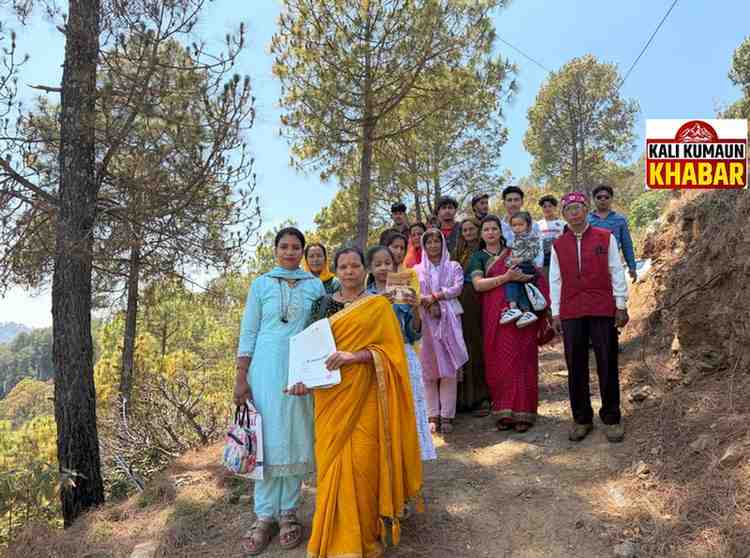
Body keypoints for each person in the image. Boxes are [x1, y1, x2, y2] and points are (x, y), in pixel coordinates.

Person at [290, 247, 423, 558]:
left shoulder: (378, 306)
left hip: (367, 395)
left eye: (355, 266)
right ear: (336, 271)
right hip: (330, 396)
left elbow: (391, 354)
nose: (349, 271)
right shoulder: (322, 305)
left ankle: (363, 536)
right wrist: (301, 380)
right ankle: (333, 537)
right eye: (343, 266)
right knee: (331, 465)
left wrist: (355, 356)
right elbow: (308, 349)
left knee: (364, 463)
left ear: (365, 270)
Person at [234, 227, 325, 555]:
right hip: (265, 369)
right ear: (275, 250)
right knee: (267, 439)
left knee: (295, 436)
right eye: (284, 246)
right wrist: (241, 376)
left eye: (295, 247)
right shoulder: (261, 284)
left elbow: (320, 329)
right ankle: (264, 516)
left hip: (301, 369)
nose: (289, 252)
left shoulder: (314, 285)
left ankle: (288, 513)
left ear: (303, 252)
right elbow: (249, 331)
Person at [550, 192, 629, 443]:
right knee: (575, 364)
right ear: (564, 215)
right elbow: (555, 280)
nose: (573, 213)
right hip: (571, 309)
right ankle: (582, 418)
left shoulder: (606, 237)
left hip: (602, 307)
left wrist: (620, 304)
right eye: (568, 209)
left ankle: (612, 417)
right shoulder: (558, 245)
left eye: (577, 207)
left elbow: (616, 270)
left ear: (586, 210)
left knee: (607, 361)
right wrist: (555, 312)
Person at [468, 215, 547, 433]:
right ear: (481, 234)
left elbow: (534, 274)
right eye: (486, 229)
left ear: (501, 231)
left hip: (522, 314)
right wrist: (506, 278)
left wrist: (523, 278)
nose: (490, 232)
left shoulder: (515, 251)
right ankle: (503, 411)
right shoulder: (478, 257)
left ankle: (524, 411)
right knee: (499, 360)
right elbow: (478, 285)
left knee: (523, 358)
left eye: (494, 228)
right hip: (496, 315)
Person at [367, 245, 436, 462]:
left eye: (387, 263)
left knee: (409, 406)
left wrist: (415, 309)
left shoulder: (403, 292)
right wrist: (379, 304)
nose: (383, 268)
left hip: (404, 354)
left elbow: (414, 333)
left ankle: (410, 459)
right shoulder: (364, 297)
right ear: (369, 268)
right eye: (378, 264)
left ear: (395, 265)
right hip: (376, 358)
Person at [415, 229, 468, 434]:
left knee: (449, 367)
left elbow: (457, 288)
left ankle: (447, 415)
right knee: (428, 367)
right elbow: (414, 292)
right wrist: (427, 302)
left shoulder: (453, 266)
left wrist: (436, 297)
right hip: (426, 320)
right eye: (429, 242)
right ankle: (432, 415)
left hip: (449, 320)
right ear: (424, 246)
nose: (433, 245)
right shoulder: (417, 270)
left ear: (443, 243)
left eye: (437, 241)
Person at [453, 218, 490, 416]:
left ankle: (481, 397)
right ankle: (462, 398)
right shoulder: (458, 253)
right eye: (464, 230)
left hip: (480, 299)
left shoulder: (484, 252)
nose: (468, 232)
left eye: (471, 229)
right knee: (463, 346)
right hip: (461, 302)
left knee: (478, 346)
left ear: (478, 230)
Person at [500, 211, 542, 328]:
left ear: (528, 226)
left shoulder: (531, 238)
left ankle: (513, 307)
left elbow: (534, 252)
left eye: (520, 224)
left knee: (511, 280)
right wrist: (509, 261)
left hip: (527, 265)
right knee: (521, 286)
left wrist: (520, 259)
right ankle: (526, 311)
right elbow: (512, 254)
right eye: (514, 225)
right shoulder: (514, 239)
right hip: (519, 264)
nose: (517, 228)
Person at [588, 184, 638, 282]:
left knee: (615, 290)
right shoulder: (586, 220)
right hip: (591, 266)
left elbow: (626, 245)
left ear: (611, 199)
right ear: (594, 199)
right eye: (599, 197)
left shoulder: (619, 220)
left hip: (613, 264)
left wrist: (632, 267)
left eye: (606, 197)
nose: (603, 199)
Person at [499, 186, 543, 267]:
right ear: (504, 203)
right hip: (503, 269)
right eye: (509, 200)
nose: (513, 204)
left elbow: (539, 250)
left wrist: (535, 267)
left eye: (516, 200)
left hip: (528, 268)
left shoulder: (533, 225)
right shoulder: (499, 226)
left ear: (522, 202)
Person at [383, 230, 421, 300]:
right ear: (387, 248)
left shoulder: (411, 274)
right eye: (395, 247)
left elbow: (416, 300)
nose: (399, 251)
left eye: (402, 248)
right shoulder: (380, 273)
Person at [537, 195, 565, 279]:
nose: (547, 209)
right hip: (544, 260)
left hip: (559, 258)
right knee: (545, 281)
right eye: (544, 206)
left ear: (555, 207)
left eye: (550, 206)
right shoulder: (537, 225)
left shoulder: (563, 224)